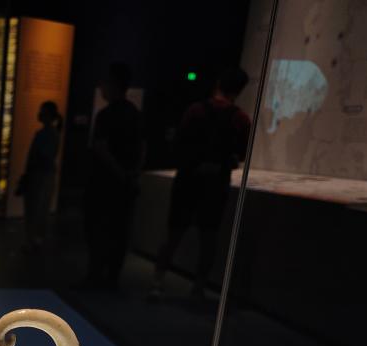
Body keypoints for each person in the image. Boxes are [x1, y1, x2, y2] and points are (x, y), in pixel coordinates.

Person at [150, 67, 251, 301]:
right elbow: (240, 155)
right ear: (239, 90)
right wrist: (220, 165)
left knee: (173, 234)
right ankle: (198, 288)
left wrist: (194, 163)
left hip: (188, 180)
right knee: (209, 238)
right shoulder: (240, 118)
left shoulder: (195, 110)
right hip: (215, 184)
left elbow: (179, 144)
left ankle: (157, 283)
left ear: (218, 83)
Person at [83, 62, 144, 290]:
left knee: (98, 230)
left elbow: (101, 148)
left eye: (105, 82)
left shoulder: (106, 115)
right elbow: (142, 147)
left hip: (104, 185)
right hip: (123, 184)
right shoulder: (134, 113)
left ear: (113, 84)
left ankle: (96, 276)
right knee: (119, 231)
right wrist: (132, 175)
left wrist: (119, 173)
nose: (101, 87)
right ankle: (111, 278)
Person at [19, 100, 63, 254]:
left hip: (40, 176)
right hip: (42, 175)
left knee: (37, 209)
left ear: (48, 115)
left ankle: (34, 240)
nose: (39, 114)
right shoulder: (50, 134)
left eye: (42, 111)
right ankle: (35, 239)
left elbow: (43, 156)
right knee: (39, 209)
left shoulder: (48, 134)